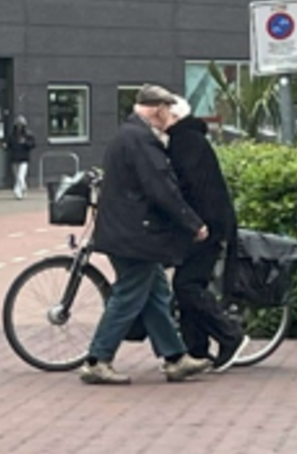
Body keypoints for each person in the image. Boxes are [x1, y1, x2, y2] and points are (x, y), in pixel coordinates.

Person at [77, 84, 212, 386]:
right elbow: (161, 189)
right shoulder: (141, 141)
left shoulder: (127, 134)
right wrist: (193, 223)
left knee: (156, 295)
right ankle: (97, 360)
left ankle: (175, 358)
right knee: (128, 295)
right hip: (135, 235)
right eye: (167, 110)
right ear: (157, 109)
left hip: (124, 230)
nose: (169, 116)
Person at [164, 98, 245, 370]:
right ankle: (196, 350)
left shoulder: (183, 141)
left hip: (204, 227)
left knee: (187, 285)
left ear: (173, 116)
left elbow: (186, 186)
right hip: (205, 224)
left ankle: (230, 335)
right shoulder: (191, 138)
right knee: (188, 285)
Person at [6, 112, 36, 199]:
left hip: (24, 159)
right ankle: (19, 192)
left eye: (21, 125)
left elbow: (32, 144)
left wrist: (25, 143)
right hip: (14, 158)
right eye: (18, 125)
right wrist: (6, 146)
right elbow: (9, 145)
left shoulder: (28, 135)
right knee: (17, 177)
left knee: (21, 176)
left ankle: (20, 189)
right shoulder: (12, 135)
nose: (19, 127)